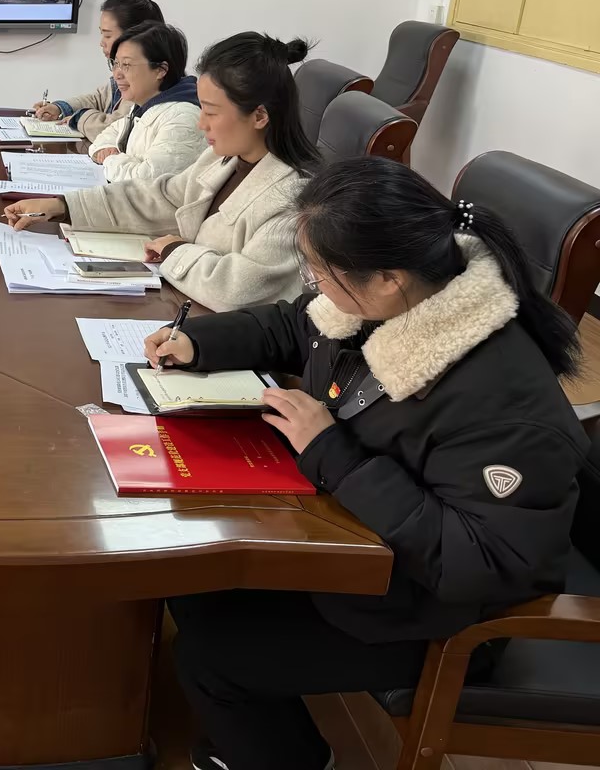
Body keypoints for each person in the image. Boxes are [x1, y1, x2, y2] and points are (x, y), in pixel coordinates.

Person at [140, 156, 589, 770]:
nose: (314, 284)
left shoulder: (500, 403)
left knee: (210, 657)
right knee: (192, 581)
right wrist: (200, 342)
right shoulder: (390, 298)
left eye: (319, 271)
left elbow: (479, 563)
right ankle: (272, 740)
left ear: (386, 279)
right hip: (363, 549)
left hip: (440, 614)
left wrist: (332, 453)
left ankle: (283, 755)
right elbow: (297, 326)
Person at [4, 33, 320, 312]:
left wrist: (174, 250)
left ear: (259, 116)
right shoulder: (222, 159)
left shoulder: (292, 198)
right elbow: (162, 198)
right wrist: (64, 206)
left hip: (226, 339)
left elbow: (237, 290)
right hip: (186, 307)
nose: (201, 124)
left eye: (211, 112)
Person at [30, 0, 165, 141]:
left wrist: (79, 118)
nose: (101, 43)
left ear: (136, 36)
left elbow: (117, 129)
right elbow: (99, 98)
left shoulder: (145, 81)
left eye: (107, 35)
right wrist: (60, 108)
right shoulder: (125, 74)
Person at [85, 21, 204, 183]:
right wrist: (104, 148)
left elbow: (145, 181)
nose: (117, 74)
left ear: (161, 70)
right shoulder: (144, 106)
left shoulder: (182, 117)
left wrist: (110, 159)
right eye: (116, 63)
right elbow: (110, 132)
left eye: (126, 64)